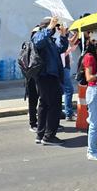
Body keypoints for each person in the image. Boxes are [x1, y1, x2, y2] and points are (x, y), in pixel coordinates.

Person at [32, 16, 69, 146]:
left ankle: (41, 134)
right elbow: (37, 42)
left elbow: (60, 49)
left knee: (45, 105)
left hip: (51, 76)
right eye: (55, 26)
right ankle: (49, 136)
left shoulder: (50, 41)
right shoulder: (39, 36)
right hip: (45, 75)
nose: (56, 29)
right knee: (54, 106)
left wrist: (63, 36)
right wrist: (49, 27)